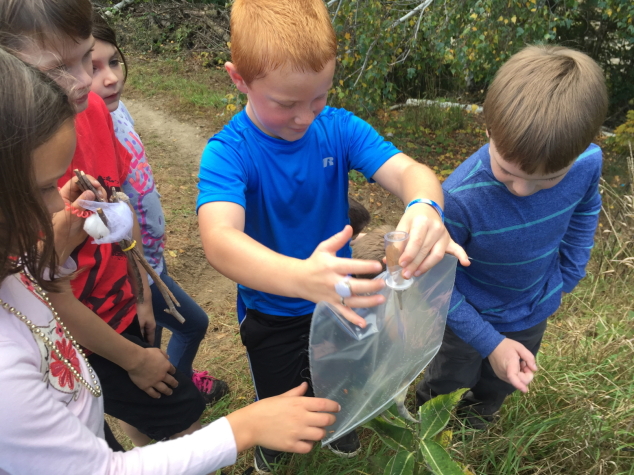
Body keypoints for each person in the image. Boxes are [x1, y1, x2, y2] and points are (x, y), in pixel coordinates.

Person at [0, 48, 340, 475]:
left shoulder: (13, 273)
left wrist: (59, 241)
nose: (57, 203)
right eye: (45, 187)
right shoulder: (6, 372)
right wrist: (241, 429)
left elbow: (36, 281)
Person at [196, 0, 469, 471]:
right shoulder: (228, 153)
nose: (306, 116)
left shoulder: (338, 128)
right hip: (273, 312)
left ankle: (339, 431)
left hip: (343, 301)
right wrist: (301, 278)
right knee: (284, 398)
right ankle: (271, 452)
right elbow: (220, 239)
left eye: (319, 96)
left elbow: (410, 172)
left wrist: (425, 207)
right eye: (285, 103)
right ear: (238, 78)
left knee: (344, 377)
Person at [0, 0, 207, 447]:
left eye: (87, 57)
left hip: (123, 309)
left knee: (139, 422)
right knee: (174, 423)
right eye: (58, 68)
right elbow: (46, 295)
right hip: (83, 341)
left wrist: (141, 293)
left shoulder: (93, 110)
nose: (84, 82)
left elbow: (118, 205)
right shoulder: (14, 175)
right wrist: (133, 359)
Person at [415, 45, 608, 429]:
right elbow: (434, 283)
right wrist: (489, 341)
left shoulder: (587, 163)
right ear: (488, 130)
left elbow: (587, 207)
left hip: (532, 306)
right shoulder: (458, 197)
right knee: (450, 377)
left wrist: (569, 272)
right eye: (507, 170)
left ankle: (478, 422)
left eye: (548, 180)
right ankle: (429, 426)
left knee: (500, 380)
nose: (521, 190)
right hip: (469, 315)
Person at [90, 12, 228, 405]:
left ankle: (167, 380)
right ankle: (176, 390)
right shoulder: (92, 132)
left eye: (114, 62)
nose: (111, 77)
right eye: (94, 67)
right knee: (194, 324)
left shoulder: (119, 111)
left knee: (159, 336)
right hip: (136, 273)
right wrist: (140, 291)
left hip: (152, 258)